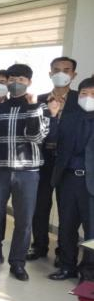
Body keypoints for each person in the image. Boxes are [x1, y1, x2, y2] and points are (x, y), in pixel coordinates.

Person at [0, 64, 54, 281]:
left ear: (29, 82)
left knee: (24, 220)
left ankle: (18, 263)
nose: (15, 83)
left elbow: (36, 137)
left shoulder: (40, 107)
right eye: (12, 78)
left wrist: (32, 107)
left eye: (21, 79)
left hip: (27, 172)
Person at [28, 56, 79, 262]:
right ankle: (39, 246)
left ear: (73, 74)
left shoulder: (81, 99)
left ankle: (63, 252)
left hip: (68, 163)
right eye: (56, 70)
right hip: (43, 160)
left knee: (67, 210)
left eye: (66, 70)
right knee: (40, 206)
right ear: (50, 73)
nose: (61, 74)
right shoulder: (38, 100)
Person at [48, 77, 94, 281]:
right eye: (84, 93)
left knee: (92, 231)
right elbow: (52, 140)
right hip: (67, 180)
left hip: (90, 183)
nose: (88, 98)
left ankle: (89, 272)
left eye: (93, 94)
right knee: (66, 226)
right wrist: (53, 117)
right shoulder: (69, 116)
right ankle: (67, 266)